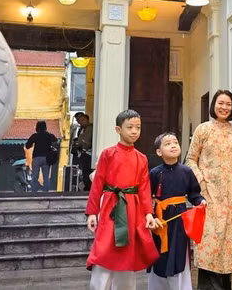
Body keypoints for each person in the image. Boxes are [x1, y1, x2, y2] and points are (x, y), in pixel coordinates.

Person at [86, 109, 160, 290]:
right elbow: (98, 184)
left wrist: (148, 213)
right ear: (118, 129)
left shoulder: (141, 158)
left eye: (138, 127)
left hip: (132, 210)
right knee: (105, 248)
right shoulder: (108, 154)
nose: (134, 131)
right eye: (130, 127)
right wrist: (92, 213)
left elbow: (144, 188)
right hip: (111, 206)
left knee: (128, 253)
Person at [185, 90, 232, 290]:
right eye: (221, 103)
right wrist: (201, 181)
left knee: (227, 242)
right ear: (214, 105)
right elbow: (191, 159)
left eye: (228, 104)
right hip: (208, 194)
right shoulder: (203, 129)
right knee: (210, 241)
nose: (224, 107)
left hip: (230, 196)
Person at [148, 132, 206, 290]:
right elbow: (146, 197)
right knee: (159, 255)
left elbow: (193, 193)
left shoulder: (186, 171)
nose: (173, 145)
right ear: (159, 152)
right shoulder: (154, 173)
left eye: (175, 142)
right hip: (160, 221)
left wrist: (200, 201)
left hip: (180, 221)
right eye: (167, 144)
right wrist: (152, 217)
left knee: (179, 254)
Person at [25, 121, 57, 192]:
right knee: (46, 176)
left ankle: (34, 191)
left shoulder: (35, 135)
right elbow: (55, 140)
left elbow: (27, 146)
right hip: (46, 158)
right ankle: (45, 192)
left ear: (37, 127)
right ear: (45, 127)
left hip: (36, 157)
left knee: (35, 176)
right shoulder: (49, 135)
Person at [73, 113, 94, 191]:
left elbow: (87, 142)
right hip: (83, 153)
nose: (81, 122)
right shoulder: (81, 130)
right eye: (79, 121)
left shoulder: (91, 128)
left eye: (83, 120)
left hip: (89, 153)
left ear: (87, 119)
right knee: (84, 172)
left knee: (87, 172)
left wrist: (81, 144)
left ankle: (89, 188)